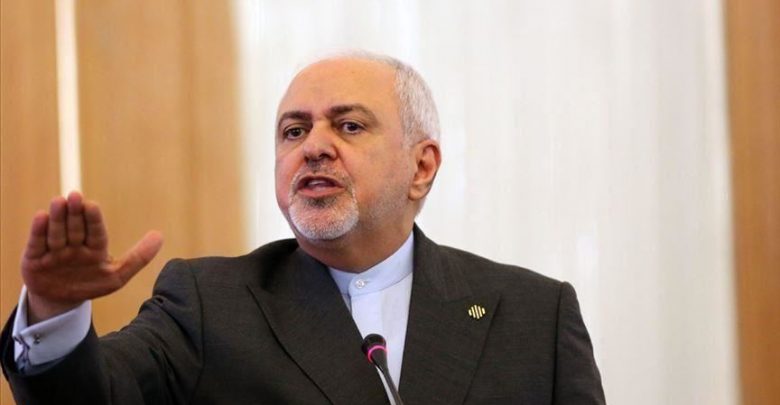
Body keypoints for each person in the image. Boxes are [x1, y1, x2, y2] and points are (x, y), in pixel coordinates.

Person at [1, 52, 605, 404]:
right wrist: (55, 310)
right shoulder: (210, 304)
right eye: (294, 131)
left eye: (349, 126)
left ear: (421, 167)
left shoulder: (534, 316)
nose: (313, 147)